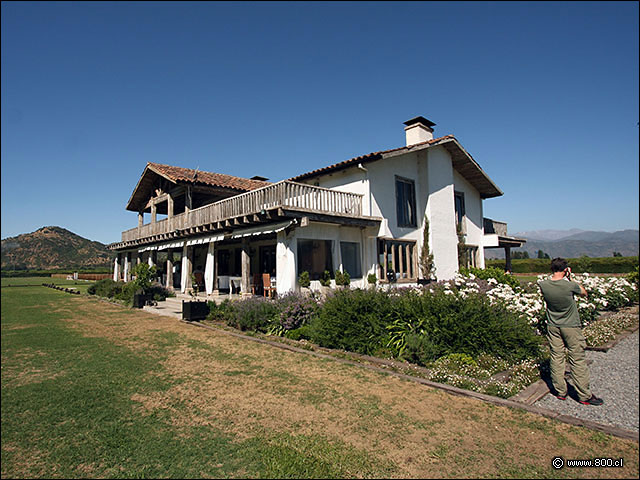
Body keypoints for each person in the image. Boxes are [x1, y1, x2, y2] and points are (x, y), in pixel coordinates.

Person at [538, 258, 603, 406]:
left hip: (553, 325)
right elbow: (583, 292)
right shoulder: (570, 285)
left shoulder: (543, 285)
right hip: (571, 325)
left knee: (556, 356)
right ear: (566, 269)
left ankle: (560, 391)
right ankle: (584, 395)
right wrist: (571, 278)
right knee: (577, 358)